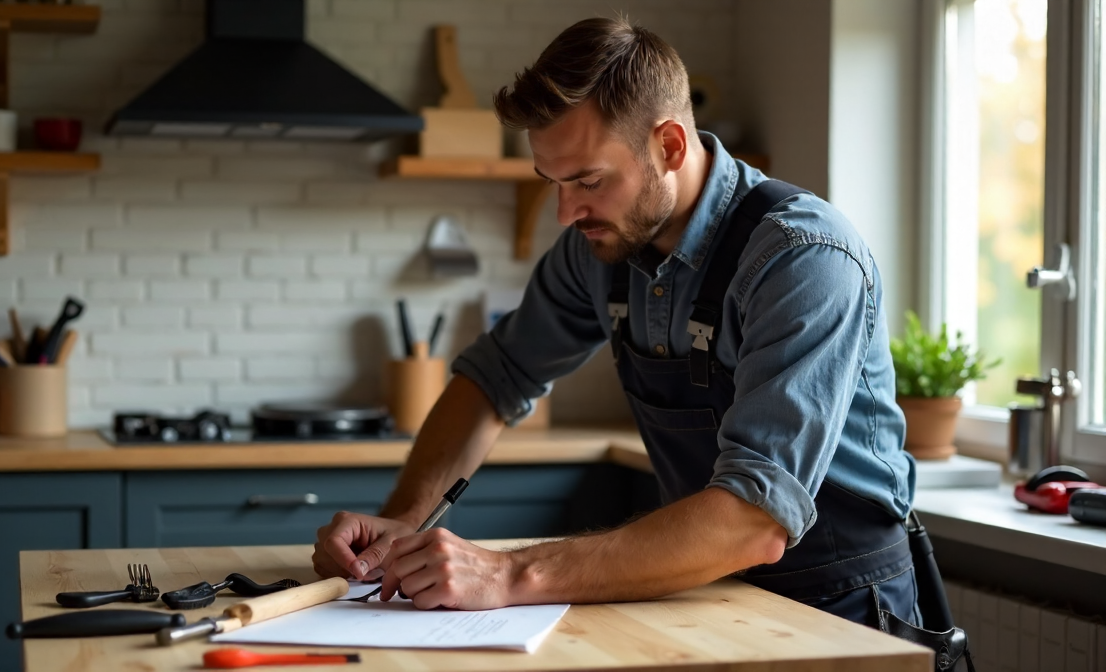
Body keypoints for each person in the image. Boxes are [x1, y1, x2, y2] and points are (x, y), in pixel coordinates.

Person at [313, 16, 919, 631]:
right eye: (552, 182)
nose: (565, 211)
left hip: (841, 606)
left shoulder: (802, 258)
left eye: (589, 181)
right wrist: (407, 524)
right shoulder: (598, 248)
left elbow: (752, 522)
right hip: (707, 595)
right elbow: (495, 379)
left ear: (670, 147)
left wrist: (506, 574)